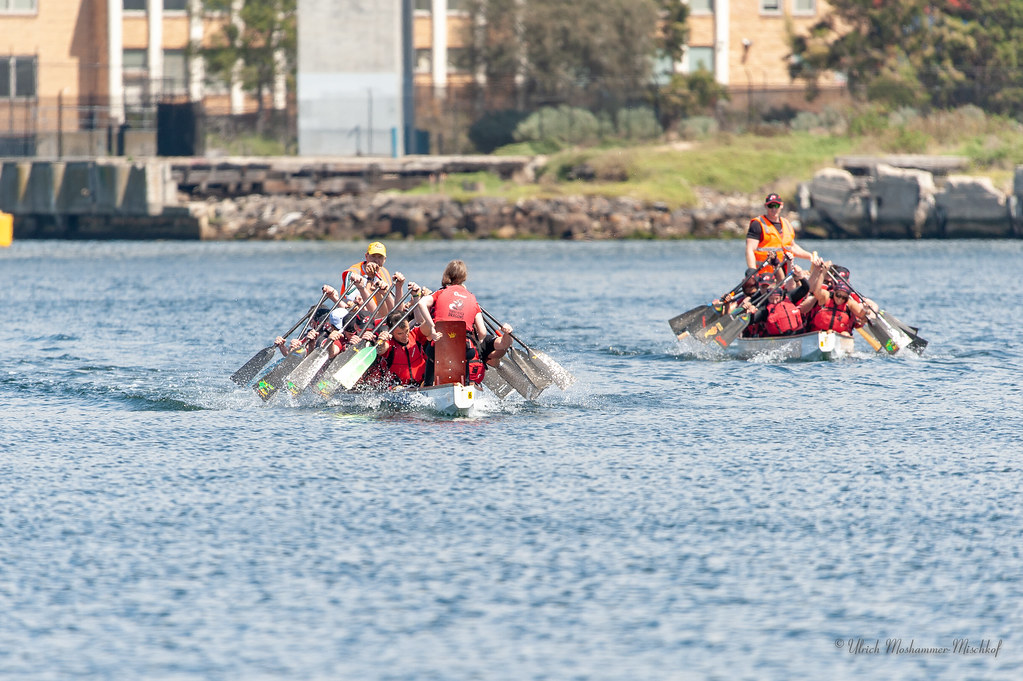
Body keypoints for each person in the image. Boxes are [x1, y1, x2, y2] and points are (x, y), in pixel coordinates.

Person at [415, 259, 513, 384]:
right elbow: (482, 333)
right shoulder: (472, 298)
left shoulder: (440, 293)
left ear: (446, 275)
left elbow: (421, 303)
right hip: (465, 349)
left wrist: (432, 327)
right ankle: (465, 385)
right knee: (463, 354)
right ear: (464, 278)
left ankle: (428, 386)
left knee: (431, 354)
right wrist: (482, 342)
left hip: (439, 348)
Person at [745, 193, 814, 274]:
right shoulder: (758, 224)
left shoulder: (787, 224)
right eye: (771, 206)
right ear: (766, 206)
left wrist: (810, 256)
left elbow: (793, 247)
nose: (774, 209)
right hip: (765, 274)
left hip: (785, 273)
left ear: (781, 205)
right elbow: (750, 249)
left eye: (776, 206)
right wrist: (752, 272)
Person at [804, 255, 865, 335]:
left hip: (840, 334)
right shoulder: (825, 294)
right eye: (838, 295)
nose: (840, 299)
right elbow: (815, 290)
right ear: (834, 291)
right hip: (818, 333)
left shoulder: (851, 300)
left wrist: (866, 311)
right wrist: (821, 272)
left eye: (844, 297)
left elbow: (862, 313)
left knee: (845, 334)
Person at [377, 307, 432, 386]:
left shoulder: (415, 334)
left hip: (422, 384)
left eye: (406, 331)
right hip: (399, 388)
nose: (405, 336)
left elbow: (428, 325)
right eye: (400, 333)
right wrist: (381, 342)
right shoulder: (389, 344)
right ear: (391, 331)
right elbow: (381, 350)